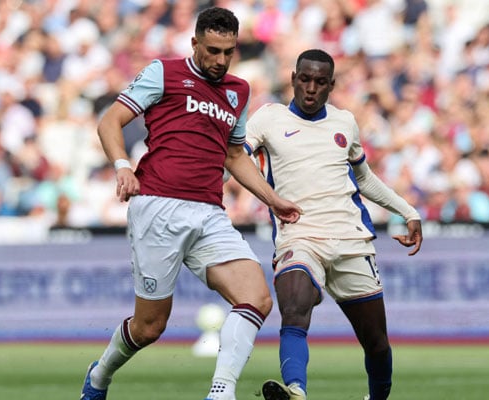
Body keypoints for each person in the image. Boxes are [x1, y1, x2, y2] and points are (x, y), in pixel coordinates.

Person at [79, 7, 302, 400]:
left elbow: (234, 156)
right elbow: (109, 121)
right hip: (158, 206)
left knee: (257, 297)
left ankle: (220, 392)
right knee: (149, 327)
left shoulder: (238, 91)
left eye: (227, 52)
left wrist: (273, 199)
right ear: (195, 42)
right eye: (212, 50)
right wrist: (122, 166)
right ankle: (99, 376)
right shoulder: (163, 72)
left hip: (210, 213)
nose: (219, 60)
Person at [245, 49, 423, 400]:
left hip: (350, 239)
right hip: (299, 235)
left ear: (331, 85)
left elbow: (365, 179)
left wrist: (408, 211)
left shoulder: (344, 122)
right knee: (294, 305)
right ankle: (295, 391)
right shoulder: (268, 118)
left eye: (320, 82)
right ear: (293, 78)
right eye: (304, 80)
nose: (310, 88)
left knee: (376, 342)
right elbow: (236, 160)